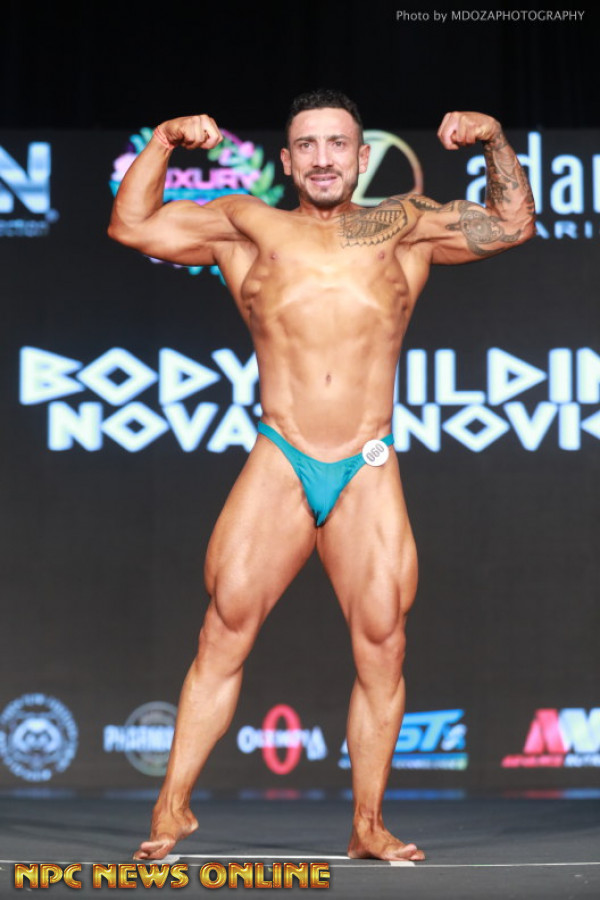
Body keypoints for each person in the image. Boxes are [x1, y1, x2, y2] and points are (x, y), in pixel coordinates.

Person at [108, 89, 535, 862]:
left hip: (366, 461)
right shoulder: (248, 224)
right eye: (307, 145)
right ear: (286, 159)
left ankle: (368, 823)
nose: (324, 158)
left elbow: (513, 224)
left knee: (383, 644)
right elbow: (130, 224)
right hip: (283, 451)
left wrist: (495, 139)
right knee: (223, 629)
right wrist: (166, 139)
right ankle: (170, 809)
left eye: (338, 144)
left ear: (363, 156)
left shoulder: (403, 223)